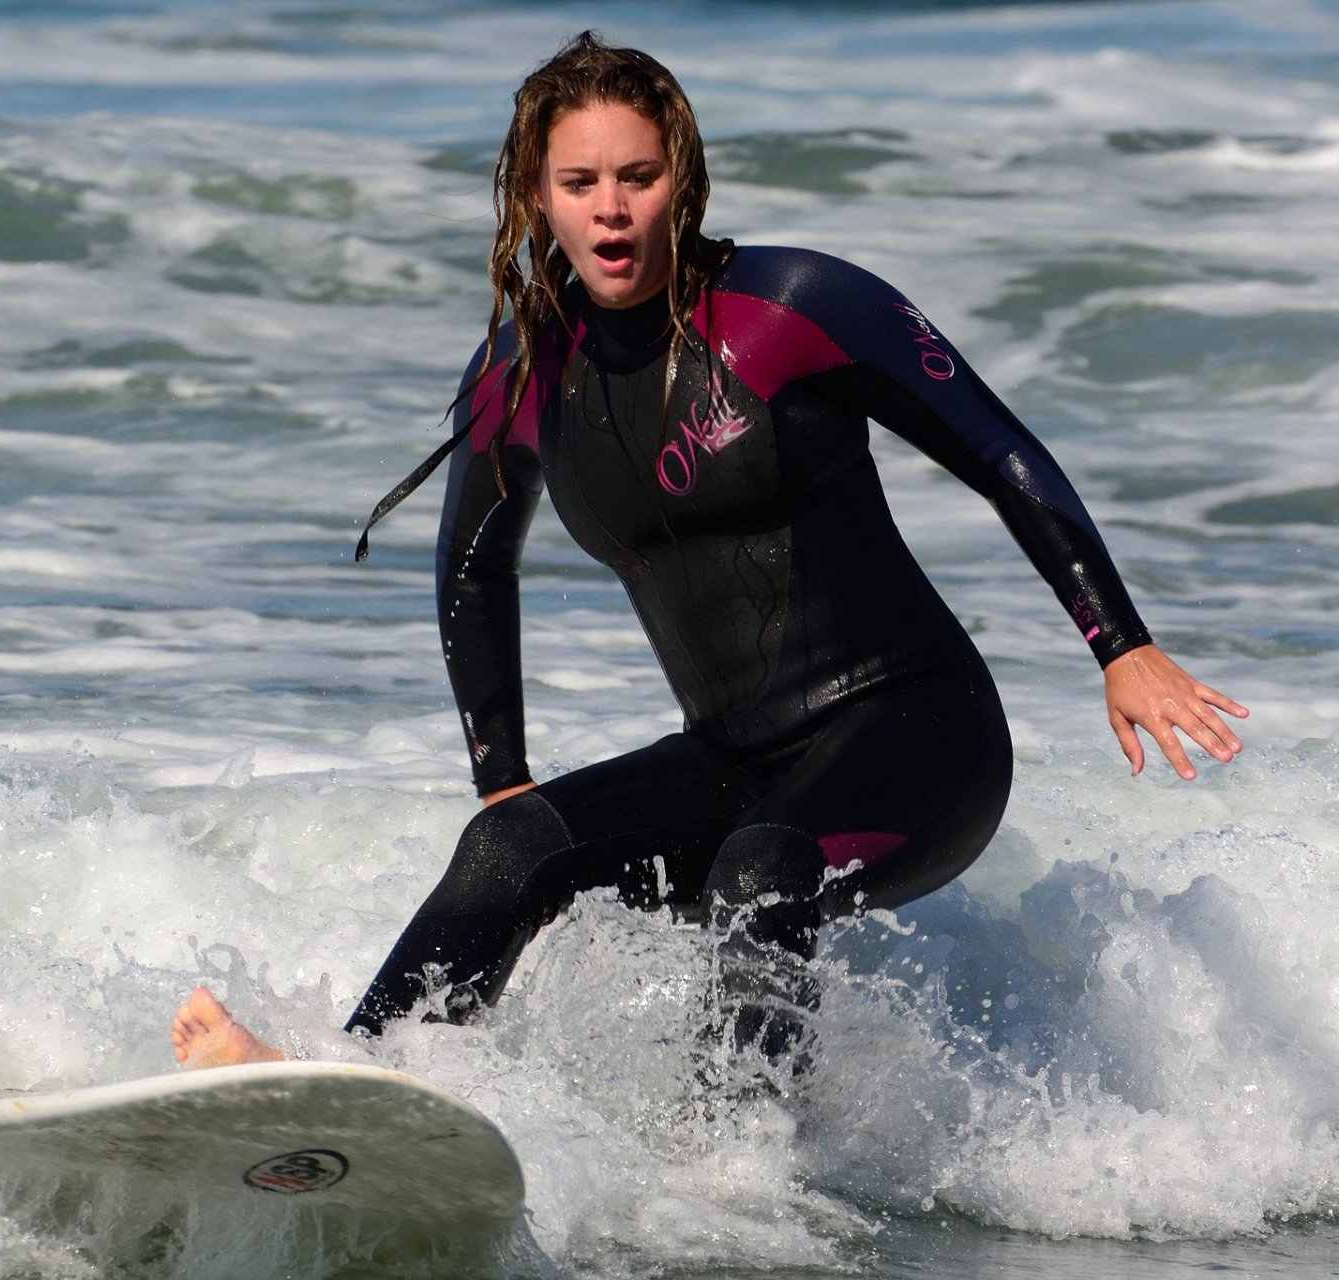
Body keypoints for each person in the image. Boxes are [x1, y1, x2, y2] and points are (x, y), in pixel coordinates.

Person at [170, 32, 1246, 1072]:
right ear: (535, 196)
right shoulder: (519, 377)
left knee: (759, 868)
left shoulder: (793, 309)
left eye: (636, 175)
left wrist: (1120, 643)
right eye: (580, 180)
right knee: (509, 849)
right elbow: (470, 567)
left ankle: (740, 1177)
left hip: (922, 733)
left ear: (680, 179)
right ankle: (348, 1088)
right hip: (736, 757)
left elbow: (996, 446)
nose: (611, 207)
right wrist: (504, 775)